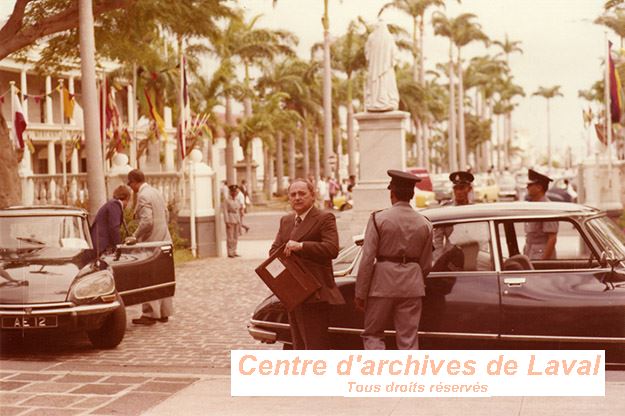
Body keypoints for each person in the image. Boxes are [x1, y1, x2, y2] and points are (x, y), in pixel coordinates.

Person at [355, 170, 433, 350]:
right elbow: (427, 264)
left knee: (373, 334)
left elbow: (367, 259)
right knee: (408, 339)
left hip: (382, 284)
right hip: (412, 286)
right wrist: (413, 277)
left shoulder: (378, 218)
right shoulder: (425, 223)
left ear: (392, 193)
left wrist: (360, 293)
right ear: (412, 195)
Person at [269, 179, 345, 349]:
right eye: (293, 194)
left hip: (315, 293)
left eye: (302, 193)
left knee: (315, 345)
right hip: (293, 293)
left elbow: (331, 249)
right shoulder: (286, 221)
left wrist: (301, 246)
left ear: (313, 195)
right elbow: (274, 251)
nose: (297, 198)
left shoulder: (324, 218)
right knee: (298, 345)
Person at [125, 169, 174, 325]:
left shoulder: (143, 195)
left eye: (130, 183)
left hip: (151, 242)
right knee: (163, 277)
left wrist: (135, 236)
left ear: (134, 181)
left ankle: (150, 313)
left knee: (149, 277)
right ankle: (164, 312)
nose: (130, 187)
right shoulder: (156, 192)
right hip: (164, 238)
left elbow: (147, 221)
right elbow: (166, 214)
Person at [364, 19, 399, 112]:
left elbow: (367, 54)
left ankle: (374, 101)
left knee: (374, 83)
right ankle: (385, 101)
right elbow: (394, 54)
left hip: (374, 69)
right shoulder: (389, 37)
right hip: (386, 68)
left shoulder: (371, 37)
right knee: (386, 83)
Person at [524, 168, 558, 260]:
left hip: (541, 256)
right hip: (530, 253)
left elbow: (552, 238)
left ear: (539, 187)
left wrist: (544, 263)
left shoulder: (547, 207)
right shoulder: (533, 205)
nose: (527, 187)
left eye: (530, 185)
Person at [90, 185, 131, 255]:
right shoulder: (115, 204)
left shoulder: (111, 204)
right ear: (127, 198)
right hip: (102, 246)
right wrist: (118, 247)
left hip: (99, 244)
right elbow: (114, 227)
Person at [224, 185, 244, 258]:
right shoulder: (227, 200)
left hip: (236, 219)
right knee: (230, 237)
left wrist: (239, 220)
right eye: (233, 191)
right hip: (230, 219)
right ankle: (230, 252)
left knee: (235, 236)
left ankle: (234, 251)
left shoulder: (237, 200)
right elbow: (225, 211)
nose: (235, 193)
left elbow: (238, 209)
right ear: (230, 192)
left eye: (235, 191)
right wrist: (227, 221)